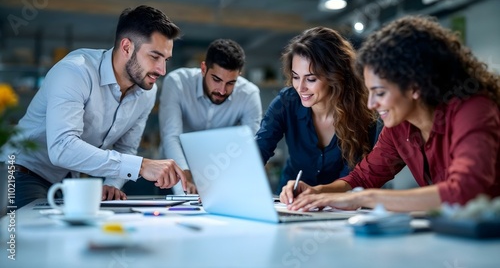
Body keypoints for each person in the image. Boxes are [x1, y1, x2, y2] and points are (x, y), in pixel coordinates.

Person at [281, 16, 500, 212]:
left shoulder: (473, 110)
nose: (370, 104)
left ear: (415, 86)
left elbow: (465, 191)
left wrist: (365, 198)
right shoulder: (399, 126)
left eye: (380, 92)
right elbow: (363, 177)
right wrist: (318, 192)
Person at [5, 5, 187, 208]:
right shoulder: (75, 72)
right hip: (22, 172)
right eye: (154, 57)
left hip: (68, 181)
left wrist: (112, 183)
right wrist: (142, 166)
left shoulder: (147, 92)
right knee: (30, 237)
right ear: (126, 47)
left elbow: (126, 147)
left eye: (166, 59)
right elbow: (62, 148)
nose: (162, 70)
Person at [256, 26, 380, 194]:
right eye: (295, 77)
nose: (300, 88)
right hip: (291, 198)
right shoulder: (287, 101)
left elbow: (355, 178)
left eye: (311, 79)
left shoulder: (362, 113)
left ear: (334, 76)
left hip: (340, 204)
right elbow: (260, 147)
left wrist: (319, 194)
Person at [158, 39, 262, 193]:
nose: (222, 90)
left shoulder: (249, 94)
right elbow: (171, 137)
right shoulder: (177, 83)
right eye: (216, 79)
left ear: (239, 75)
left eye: (230, 83)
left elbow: (251, 145)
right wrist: (185, 181)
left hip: (220, 175)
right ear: (203, 68)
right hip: (174, 171)